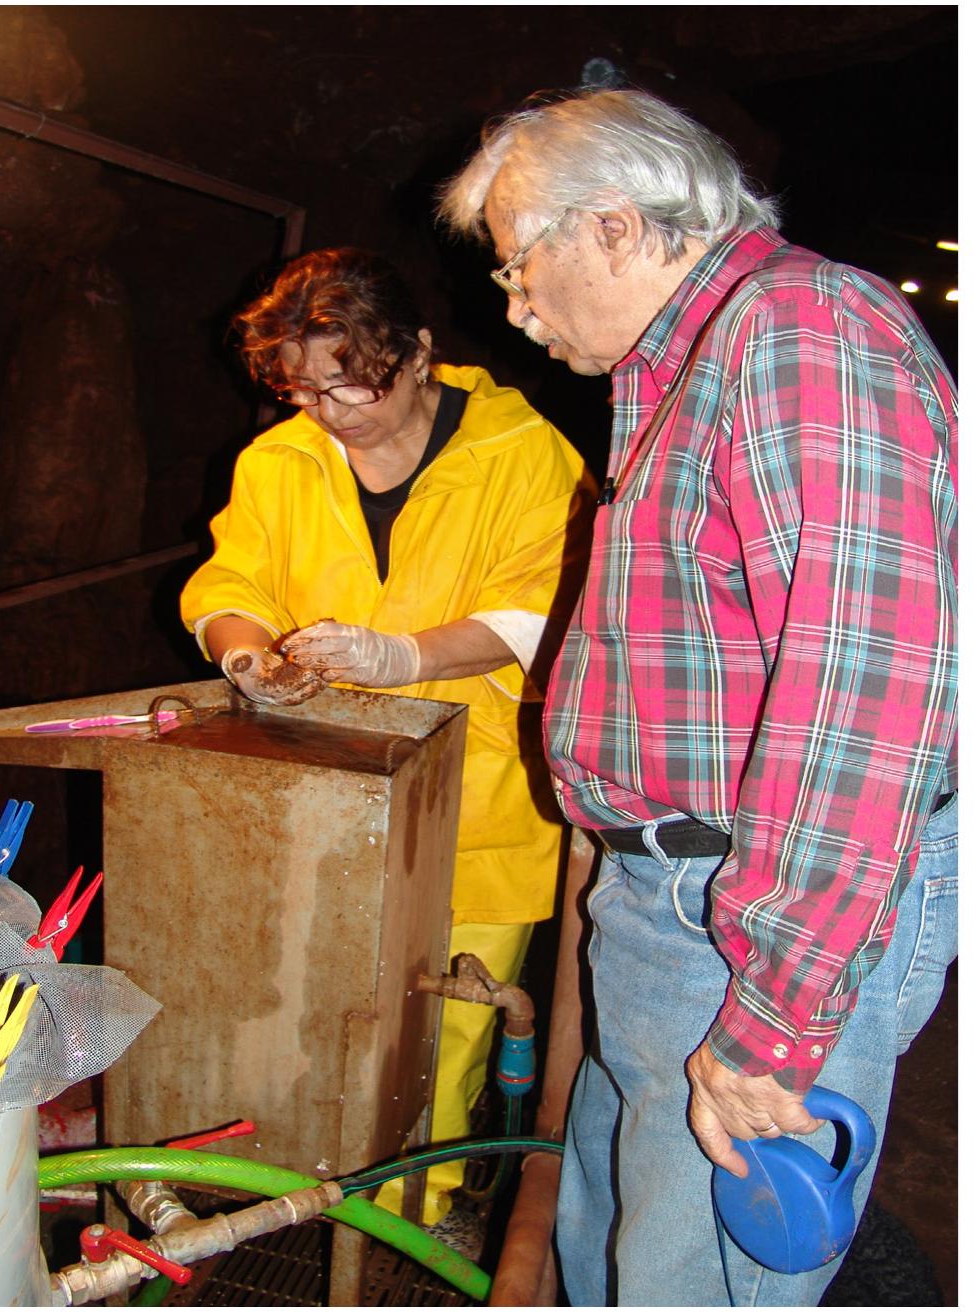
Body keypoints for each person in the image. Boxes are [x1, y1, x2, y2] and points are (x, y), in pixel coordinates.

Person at [440, 89, 957, 1305]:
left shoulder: (803, 329)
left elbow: (864, 690)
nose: (514, 309)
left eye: (519, 266)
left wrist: (775, 1014)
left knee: (687, 1281)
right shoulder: (685, 371)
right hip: (670, 900)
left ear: (615, 225)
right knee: (614, 1253)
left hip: (738, 916)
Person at [180, 247, 594, 1250]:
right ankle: (300, 1192)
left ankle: (422, 1211)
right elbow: (231, 582)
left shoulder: (522, 452)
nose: (331, 411)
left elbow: (547, 607)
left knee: (443, 1031)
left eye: (351, 382)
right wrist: (245, 654)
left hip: (480, 798)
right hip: (322, 788)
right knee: (307, 1000)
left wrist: (402, 655)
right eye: (304, 389)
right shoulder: (279, 461)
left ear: (415, 353)